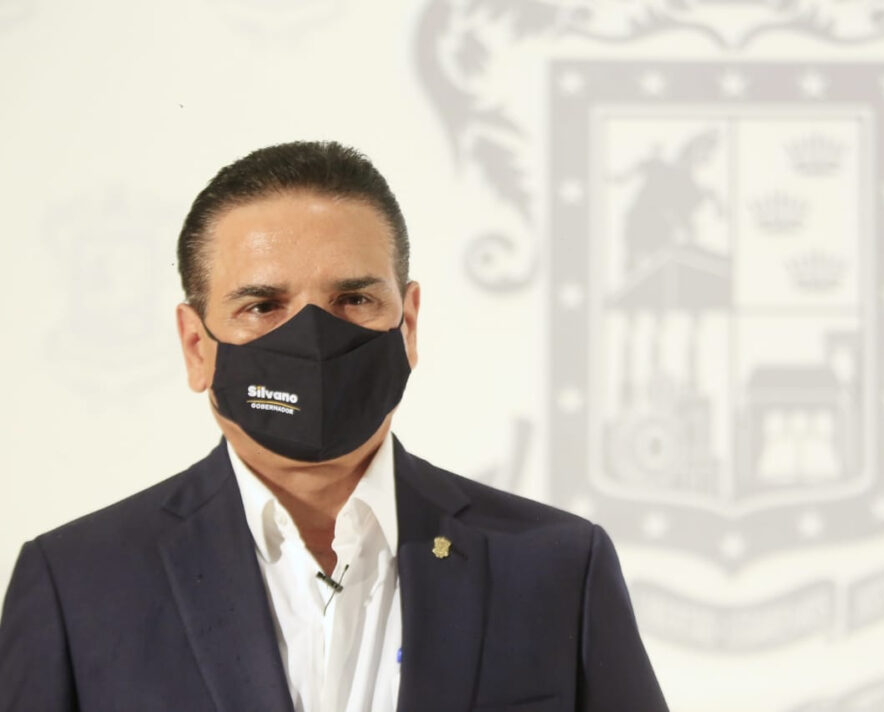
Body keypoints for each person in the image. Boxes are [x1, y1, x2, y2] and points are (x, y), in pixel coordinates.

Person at [0, 141, 668, 712]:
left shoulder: (556, 567)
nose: (314, 338)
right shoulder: (78, 585)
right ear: (197, 346)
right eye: (263, 305)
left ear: (408, 324)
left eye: (353, 299)